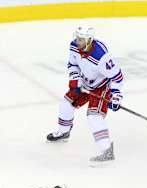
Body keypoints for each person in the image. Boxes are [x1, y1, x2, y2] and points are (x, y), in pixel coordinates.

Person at [46, 26, 124, 163]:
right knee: (66, 104)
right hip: (85, 84)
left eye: (81, 39)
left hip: (101, 87)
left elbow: (117, 77)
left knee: (94, 117)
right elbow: (72, 65)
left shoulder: (101, 56)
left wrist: (116, 97)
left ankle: (107, 152)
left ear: (89, 40)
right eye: (77, 38)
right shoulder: (74, 46)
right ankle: (64, 132)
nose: (77, 41)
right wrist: (76, 80)